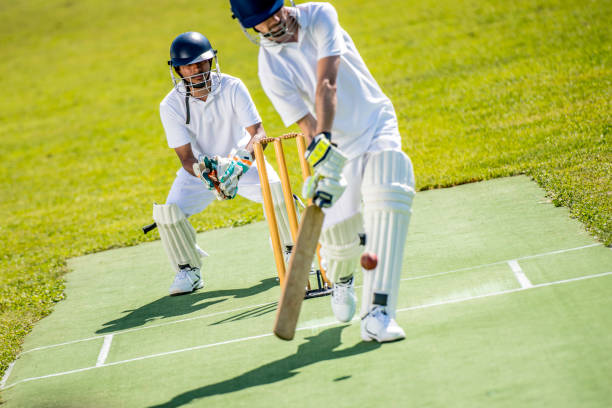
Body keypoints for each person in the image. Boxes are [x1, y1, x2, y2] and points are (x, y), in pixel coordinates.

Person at [229, 1, 416, 342]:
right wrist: (323, 155)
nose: (270, 24)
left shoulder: (320, 16)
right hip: (337, 146)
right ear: (248, 26)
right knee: (342, 240)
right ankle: (341, 278)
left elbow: (326, 83)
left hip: (375, 124)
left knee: (390, 190)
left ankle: (378, 314)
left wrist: (324, 138)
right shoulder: (269, 69)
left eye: (273, 13)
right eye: (260, 22)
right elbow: (306, 122)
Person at [155, 31, 294, 295]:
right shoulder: (170, 105)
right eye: (188, 65)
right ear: (178, 69)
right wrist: (207, 173)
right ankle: (188, 270)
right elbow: (185, 158)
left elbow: (258, 133)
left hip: (242, 161)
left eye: (201, 62)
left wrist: (240, 163)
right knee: (169, 213)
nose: (196, 69)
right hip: (200, 171)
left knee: (278, 192)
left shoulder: (232, 86)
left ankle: (292, 252)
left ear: (211, 61)